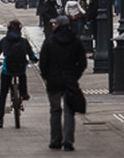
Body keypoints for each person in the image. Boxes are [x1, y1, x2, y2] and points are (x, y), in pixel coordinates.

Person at [38, 16, 87, 151]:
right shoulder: (75, 41)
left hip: (54, 81)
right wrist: (74, 76)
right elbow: (82, 62)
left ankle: (55, 140)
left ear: (59, 25)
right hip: (69, 80)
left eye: (54, 24)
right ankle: (68, 141)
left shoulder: (49, 41)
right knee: (69, 111)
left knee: (55, 111)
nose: (52, 25)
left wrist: (47, 76)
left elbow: (43, 62)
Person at [0, 19, 38, 128]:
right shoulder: (24, 41)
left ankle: (0, 119)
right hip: (20, 68)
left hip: (8, 70)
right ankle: (24, 93)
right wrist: (34, 59)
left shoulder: (4, 41)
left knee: (3, 94)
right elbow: (31, 53)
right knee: (22, 75)